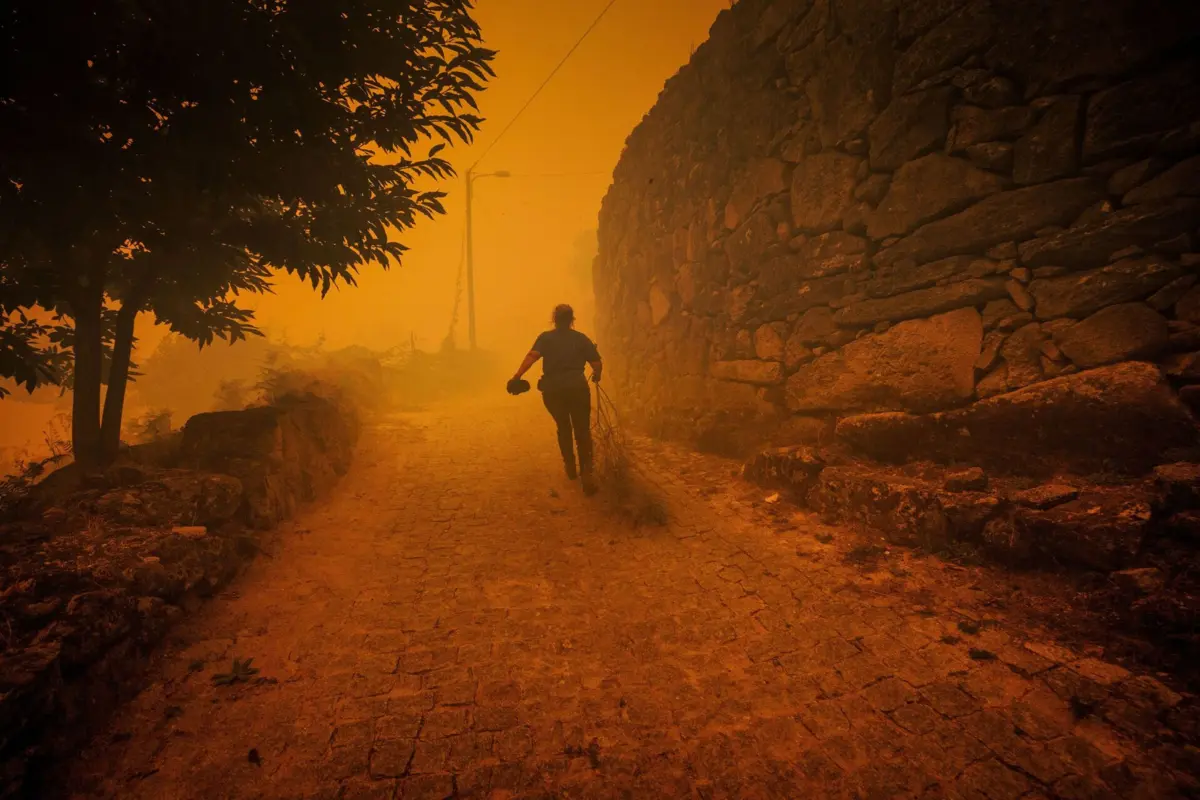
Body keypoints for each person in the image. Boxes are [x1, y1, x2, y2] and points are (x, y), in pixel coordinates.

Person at [511, 304, 602, 494]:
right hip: (577, 389)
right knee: (582, 430)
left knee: (563, 426)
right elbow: (596, 363)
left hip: (553, 391)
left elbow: (532, 356)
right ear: (572, 320)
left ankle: (570, 466)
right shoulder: (580, 339)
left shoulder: (546, 338)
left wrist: (517, 376)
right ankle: (586, 472)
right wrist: (597, 375)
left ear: (554, 319)